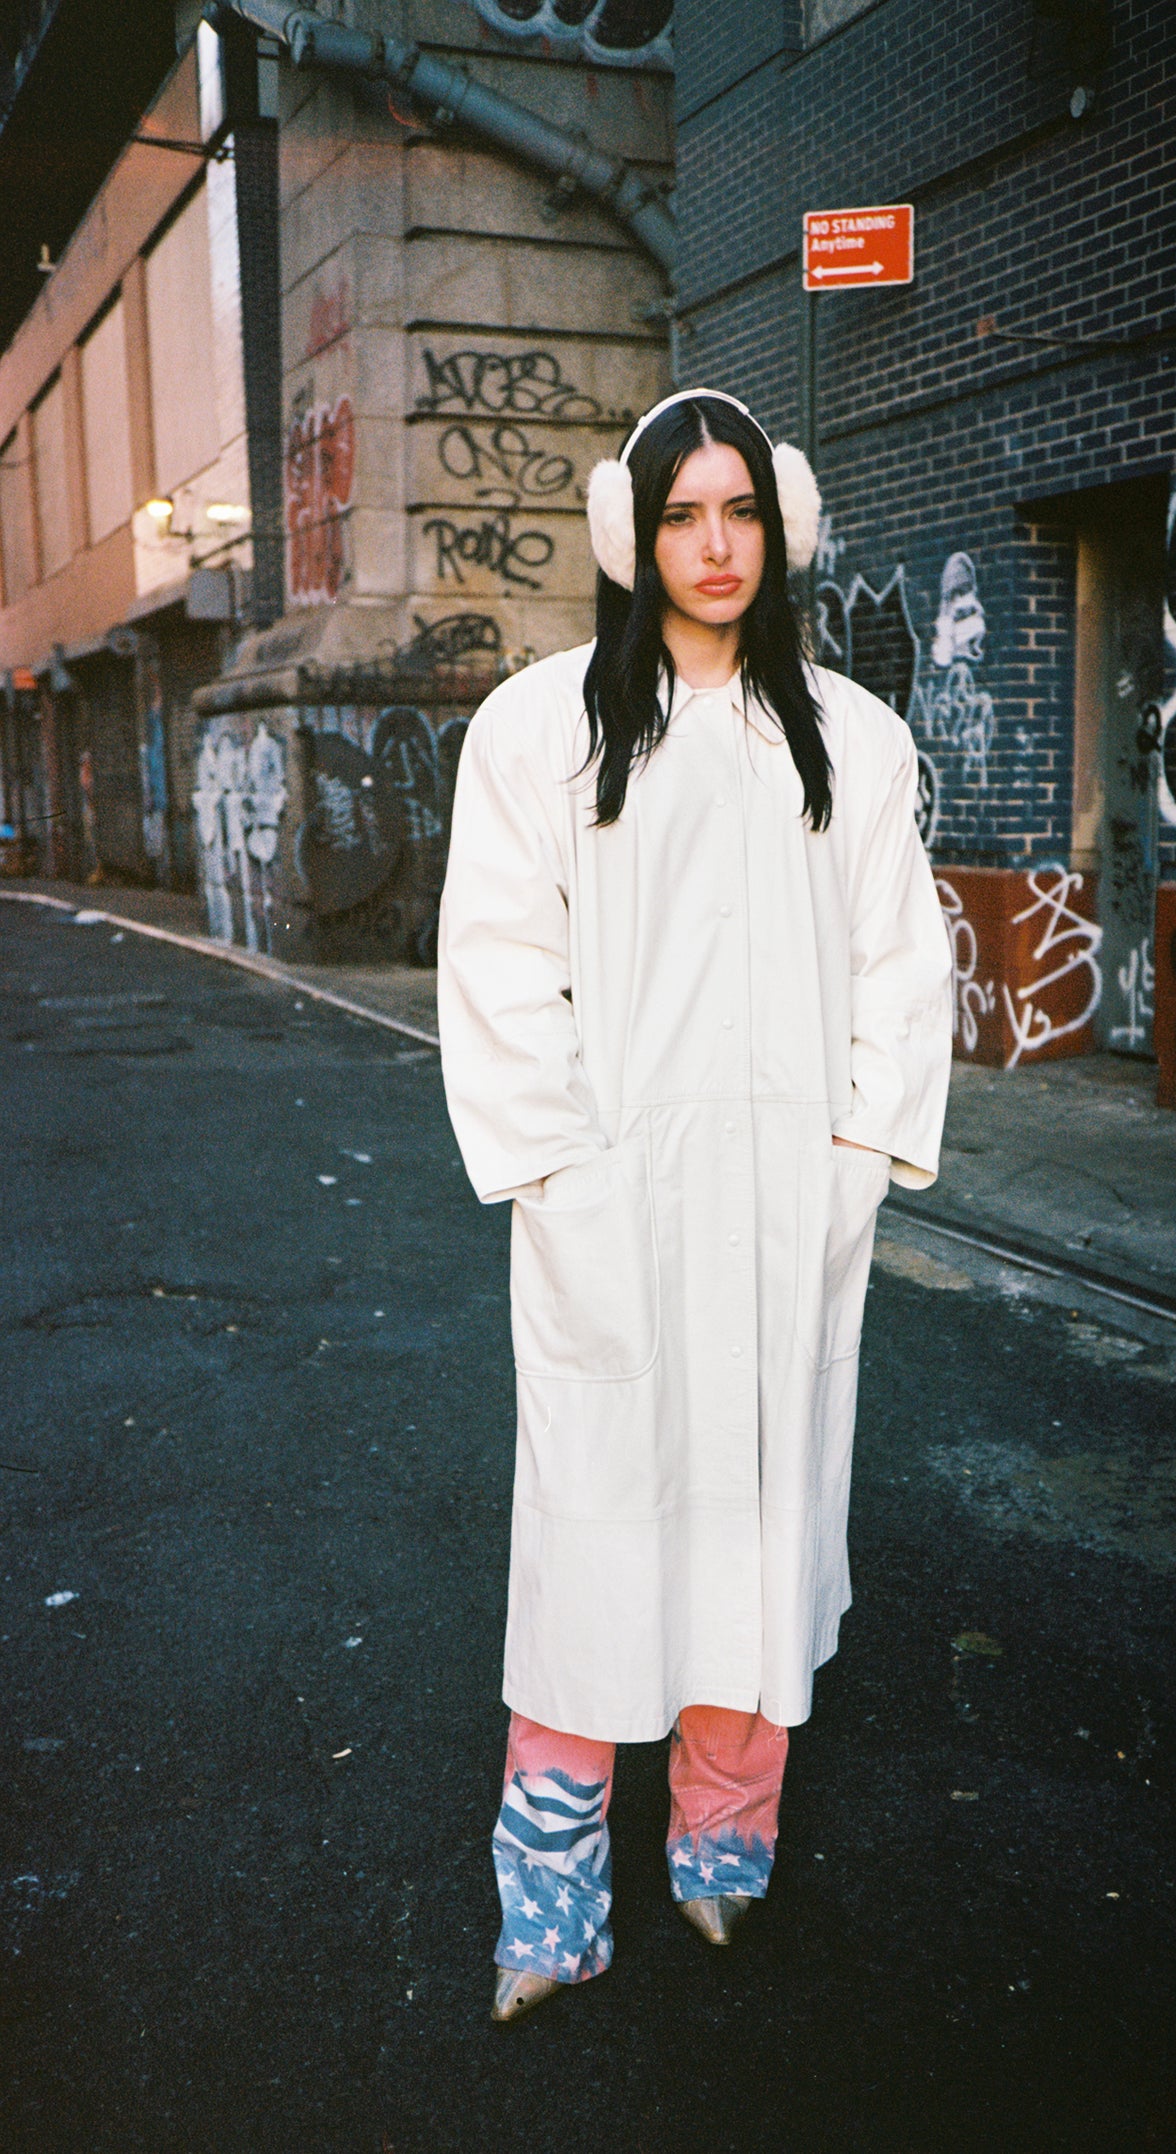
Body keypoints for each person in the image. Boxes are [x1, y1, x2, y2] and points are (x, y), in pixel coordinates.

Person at [436, 389, 954, 2024]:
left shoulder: (853, 741)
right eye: (679, 515)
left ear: (780, 525)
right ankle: (552, 1902)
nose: (714, 546)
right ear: (630, 533)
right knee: (590, 1553)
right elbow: (501, 970)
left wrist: (856, 1159)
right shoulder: (541, 730)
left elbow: (897, 963)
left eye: (740, 511)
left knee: (756, 1532)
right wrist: (559, 1178)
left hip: (786, 1215)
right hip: (609, 1213)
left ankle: (722, 1855)